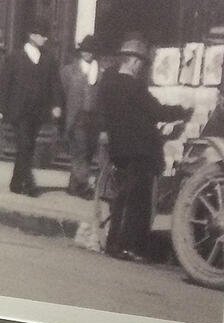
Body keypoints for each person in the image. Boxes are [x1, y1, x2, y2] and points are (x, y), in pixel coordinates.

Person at [98, 37, 192, 262]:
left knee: (121, 197)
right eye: (141, 64)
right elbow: (157, 110)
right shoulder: (134, 86)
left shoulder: (109, 84)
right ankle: (127, 245)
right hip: (141, 151)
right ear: (133, 62)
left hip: (120, 148)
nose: (142, 68)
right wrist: (184, 111)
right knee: (137, 201)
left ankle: (113, 243)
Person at [0, 20, 61, 197]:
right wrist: (0, 108)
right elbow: (4, 84)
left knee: (28, 146)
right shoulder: (15, 57)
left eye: (45, 35)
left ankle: (16, 182)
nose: (44, 38)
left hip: (38, 111)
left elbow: (54, 84)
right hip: (19, 110)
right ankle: (29, 183)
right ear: (32, 36)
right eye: (41, 35)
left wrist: (56, 105)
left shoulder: (48, 59)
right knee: (24, 144)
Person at [60, 34, 102, 198]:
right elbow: (62, 95)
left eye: (91, 51)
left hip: (94, 118)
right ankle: (83, 187)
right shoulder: (68, 71)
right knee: (81, 150)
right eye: (85, 50)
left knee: (89, 151)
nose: (88, 54)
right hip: (76, 117)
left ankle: (73, 186)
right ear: (80, 52)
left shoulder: (100, 72)